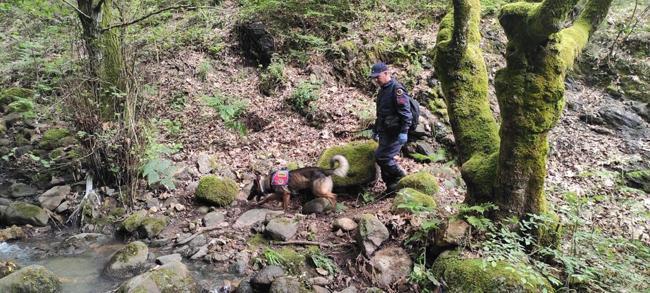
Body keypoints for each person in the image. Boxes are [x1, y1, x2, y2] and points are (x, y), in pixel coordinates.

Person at [370, 62, 412, 193]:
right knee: (383, 160)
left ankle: (402, 177)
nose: (376, 80)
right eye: (374, 77)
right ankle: (391, 187)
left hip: (395, 132)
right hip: (384, 131)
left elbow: (406, 113)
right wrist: (376, 130)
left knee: (382, 157)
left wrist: (404, 132)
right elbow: (381, 114)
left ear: (386, 73)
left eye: (378, 76)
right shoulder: (382, 91)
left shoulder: (397, 89)